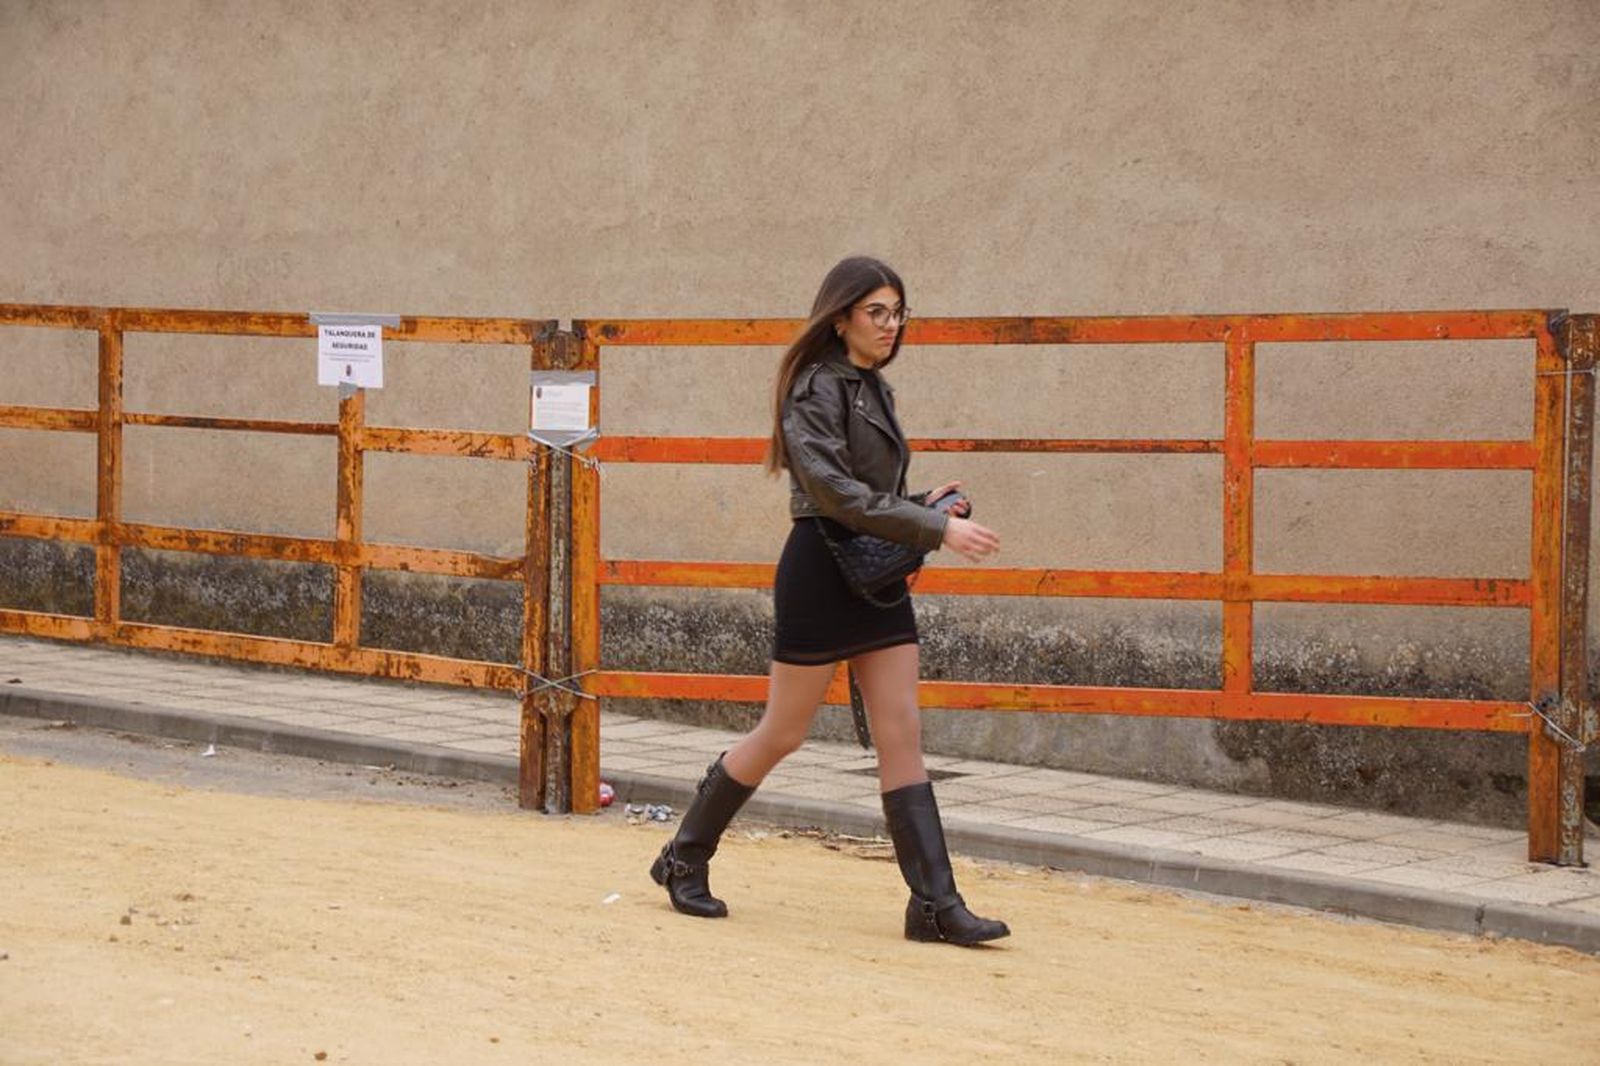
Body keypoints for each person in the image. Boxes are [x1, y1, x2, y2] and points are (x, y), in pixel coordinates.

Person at [649, 256, 1009, 946]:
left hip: (874, 578)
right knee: (783, 732)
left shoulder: (872, 389)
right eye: (877, 312)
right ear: (840, 316)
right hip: (821, 571)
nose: (891, 325)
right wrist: (937, 527)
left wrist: (921, 504)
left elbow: (868, 499)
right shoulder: (813, 391)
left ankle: (934, 904)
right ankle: (682, 857)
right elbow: (835, 497)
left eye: (900, 312)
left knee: (902, 732)